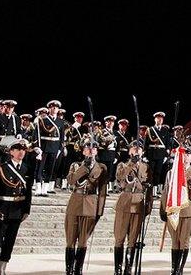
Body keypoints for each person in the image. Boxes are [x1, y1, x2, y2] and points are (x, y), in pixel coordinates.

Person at [0, 139, 33, 275]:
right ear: (11, 151)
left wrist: (26, 209)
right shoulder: (1, 167)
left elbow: (28, 192)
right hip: (1, 207)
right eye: (18, 149)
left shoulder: (27, 168)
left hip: (17, 209)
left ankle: (3, 266)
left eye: (23, 149)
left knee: (10, 241)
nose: (21, 152)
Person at [65, 137, 109, 275]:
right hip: (75, 202)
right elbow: (71, 181)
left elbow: (102, 191)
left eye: (94, 148)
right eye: (88, 148)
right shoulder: (75, 165)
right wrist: (84, 167)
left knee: (83, 241)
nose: (91, 150)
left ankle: (78, 269)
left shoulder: (101, 168)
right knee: (70, 240)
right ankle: (69, 269)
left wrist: (100, 211)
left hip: (91, 203)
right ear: (83, 151)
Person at [160, 148, 191, 275]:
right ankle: (174, 268)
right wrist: (163, 209)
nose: (185, 157)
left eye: (188, 154)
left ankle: (180, 269)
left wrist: (183, 185)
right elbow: (166, 191)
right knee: (175, 242)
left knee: (184, 242)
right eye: (183, 154)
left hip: (188, 210)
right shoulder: (171, 173)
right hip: (173, 210)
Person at [114, 140, 152, 275]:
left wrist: (148, 207)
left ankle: (128, 269)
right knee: (119, 237)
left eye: (139, 149)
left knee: (133, 239)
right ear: (129, 151)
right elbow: (120, 179)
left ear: (143, 151)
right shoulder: (122, 165)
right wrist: (131, 164)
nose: (137, 151)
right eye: (134, 148)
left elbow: (149, 188)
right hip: (124, 202)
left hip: (138, 204)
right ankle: (118, 269)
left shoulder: (146, 167)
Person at [33, 100, 66, 197]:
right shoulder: (42, 119)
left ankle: (45, 189)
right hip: (43, 146)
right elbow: (36, 134)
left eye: (56, 107)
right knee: (40, 167)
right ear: (49, 109)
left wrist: (60, 149)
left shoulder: (60, 122)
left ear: (58, 109)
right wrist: (37, 147)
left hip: (54, 147)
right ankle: (38, 188)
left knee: (50, 168)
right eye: (52, 107)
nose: (54, 108)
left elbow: (62, 137)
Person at [146, 112, 172, 195]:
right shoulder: (150, 130)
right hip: (151, 153)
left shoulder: (165, 130)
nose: (159, 120)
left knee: (158, 172)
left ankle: (155, 190)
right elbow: (146, 143)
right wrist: (145, 155)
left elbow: (167, 144)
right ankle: (149, 189)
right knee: (151, 172)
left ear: (162, 120)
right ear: (155, 119)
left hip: (161, 154)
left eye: (161, 118)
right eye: (158, 118)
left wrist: (166, 155)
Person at [98, 116, 118, 191]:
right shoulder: (102, 131)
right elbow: (99, 142)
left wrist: (116, 156)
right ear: (106, 123)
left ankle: (105, 189)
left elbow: (118, 146)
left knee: (109, 173)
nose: (110, 123)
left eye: (112, 122)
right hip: (103, 154)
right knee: (102, 172)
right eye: (109, 122)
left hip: (112, 154)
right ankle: (100, 189)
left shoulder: (115, 133)